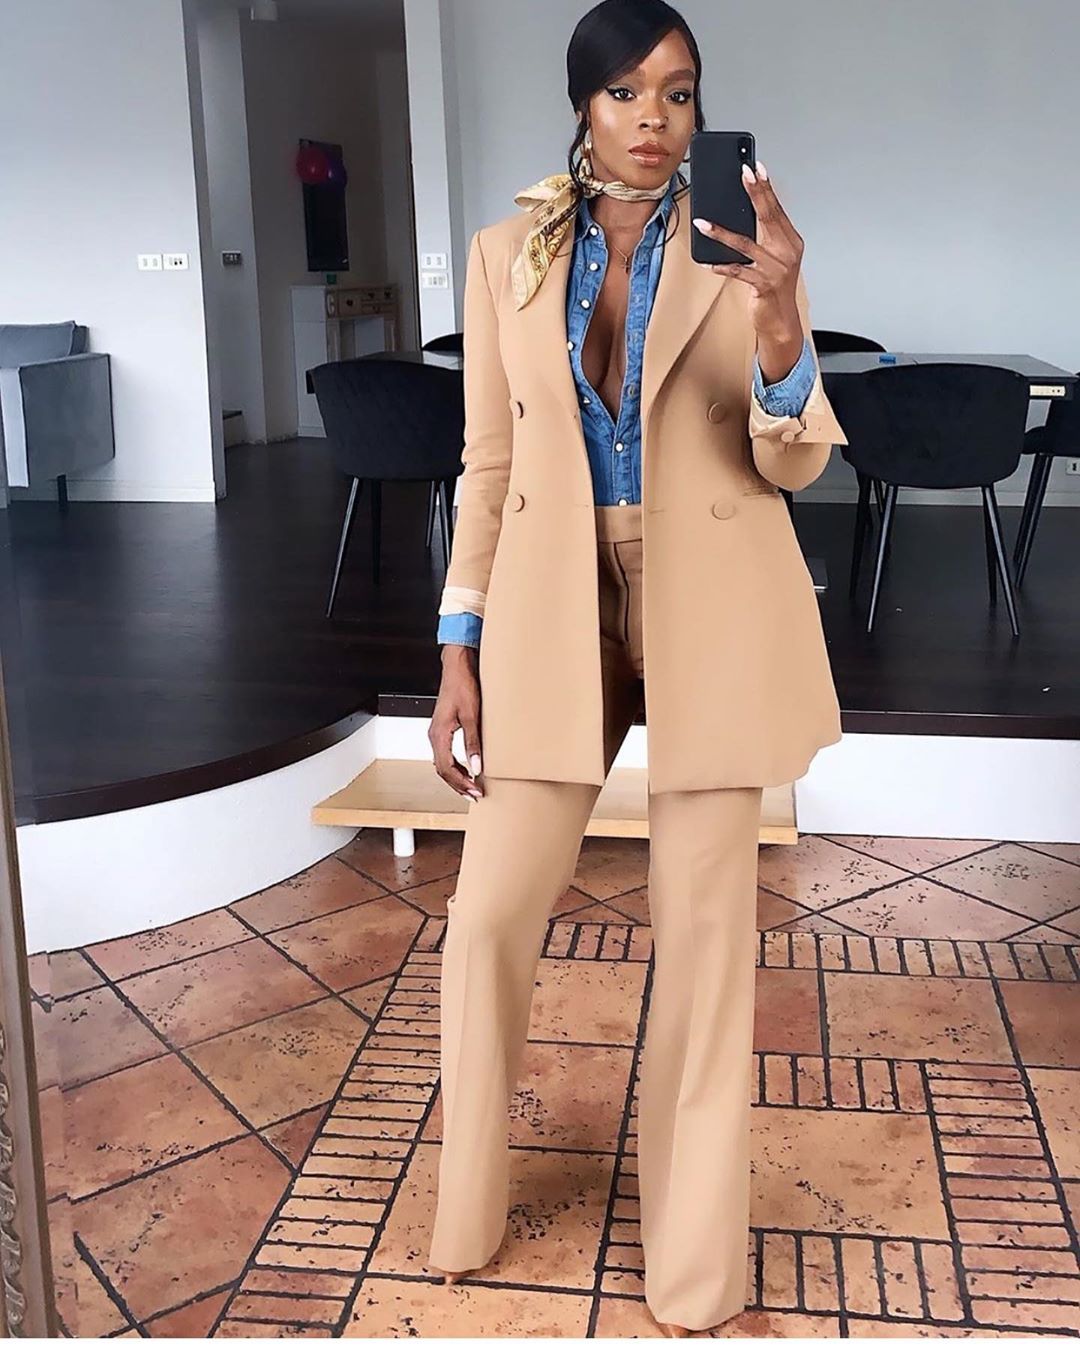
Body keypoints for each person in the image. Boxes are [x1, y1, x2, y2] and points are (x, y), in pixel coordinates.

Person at [426, 0, 848, 1333]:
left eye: (679, 91)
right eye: (625, 92)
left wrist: (779, 323)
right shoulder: (505, 254)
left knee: (707, 941)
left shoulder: (742, 247)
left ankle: (694, 1272)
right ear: (582, 106)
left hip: (709, 593)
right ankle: (467, 1211)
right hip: (551, 600)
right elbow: (488, 463)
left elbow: (795, 458)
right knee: (488, 915)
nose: (655, 120)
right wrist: (457, 644)